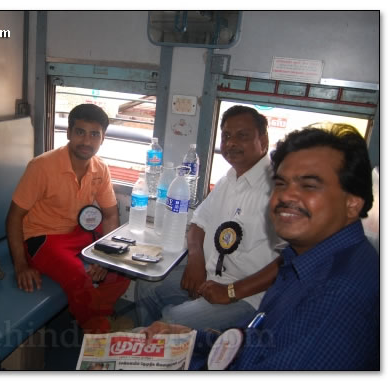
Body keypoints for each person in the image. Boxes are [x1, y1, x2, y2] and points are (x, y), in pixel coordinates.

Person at [144, 124, 379, 370]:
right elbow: (264, 339)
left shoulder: (339, 296)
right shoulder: (301, 259)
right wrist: (195, 339)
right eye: (281, 184)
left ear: (352, 204)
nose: (286, 197)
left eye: (309, 185)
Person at [135, 105, 282, 332]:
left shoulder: (277, 189)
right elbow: (198, 223)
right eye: (226, 136)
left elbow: (287, 261)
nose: (231, 143)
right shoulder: (229, 179)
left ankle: (160, 345)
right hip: (211, 276)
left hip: (248, 295)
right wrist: (196, 262)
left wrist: (231, 291)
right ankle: (150, 351)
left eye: (242, 136)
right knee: (147, 285)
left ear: (263, 140)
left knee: (170, 321)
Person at [6, 104, 131, 333]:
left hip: (79, 231)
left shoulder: (100, 169)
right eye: (80, 132)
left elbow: (111, 215)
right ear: (69, 133)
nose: (86, 141)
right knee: (79, 276)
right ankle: (98, 332)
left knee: (121, 267)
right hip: (43, 238)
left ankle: (93, 311)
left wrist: (104, 258)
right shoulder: (41, 167)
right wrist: (20, 266)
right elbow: (14, 218)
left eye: (94, 134)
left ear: (102, 139)